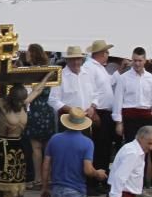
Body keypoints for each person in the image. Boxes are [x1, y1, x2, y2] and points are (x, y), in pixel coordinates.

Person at [40, 107, 107, 197]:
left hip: (57, 189)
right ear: (82, 124)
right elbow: (87, 170)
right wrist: (98, 173)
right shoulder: (87, 143)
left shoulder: (55, 139)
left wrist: (44, 187)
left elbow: (46, 165)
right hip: (76, 190)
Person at [106, 125, 152, 197]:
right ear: (141, 138)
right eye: (149, 143)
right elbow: (119, 177)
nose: (151, 147)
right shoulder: (133, 153)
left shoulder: (134, 149)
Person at [83, 39, 119, 186]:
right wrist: (94, 110)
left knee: (103, 147)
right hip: (99, 111)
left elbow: (107, 83)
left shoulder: (98, 67)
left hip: (105, 111)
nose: (108, 55)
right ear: (101, 53)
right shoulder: (91, 67)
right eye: (106, 52)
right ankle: (92, 182)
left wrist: (119, 72)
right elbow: (90, 90)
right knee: (98, 147)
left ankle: (99, 180)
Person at [24, 43, 56, 189]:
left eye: (28, 52)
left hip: (35, 109)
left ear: (33, 54)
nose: (26, 54)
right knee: (47, 146)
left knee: (35, 147)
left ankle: (38, 177)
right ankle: (47, 177)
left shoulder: (31, 71)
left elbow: (32, 91)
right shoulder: (49, 69)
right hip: (47, 110)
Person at [48, 45, 97, 130]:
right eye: (72, 59)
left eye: (78, 59)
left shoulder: (88, 74)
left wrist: (92, 107)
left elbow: (95, 94)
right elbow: (52, 100)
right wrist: (71, 110)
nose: (75, 62)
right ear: (67, 60)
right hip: (67, 120)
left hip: (86, 119)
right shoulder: (60, 76)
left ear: (82, 60)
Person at [113, 47, 152, 143]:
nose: (137, 63)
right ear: (132, 60)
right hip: (130, 118)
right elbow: (118, 101)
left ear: (145, 61)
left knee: (148, 147)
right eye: (135, 60)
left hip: (147, 118)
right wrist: (119, 122)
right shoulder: (123, 78)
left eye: (140, 60)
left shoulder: (150, 78)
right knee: (132, 146)